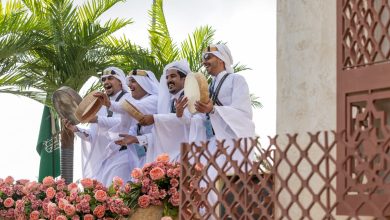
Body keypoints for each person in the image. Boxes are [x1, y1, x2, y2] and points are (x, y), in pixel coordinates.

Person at [63, 67, 132, 183]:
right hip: (105, 160)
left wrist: (97, 119)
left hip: (124, 155)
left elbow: (123, 123)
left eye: (110, 78)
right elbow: (93, 136)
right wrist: (75, 129)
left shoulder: (128, 98)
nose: (106, 82)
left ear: (120, 81)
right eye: (104, 80)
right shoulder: (100, 104)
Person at [116, 60, 193, 163]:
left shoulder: (191, 97)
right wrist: (137, 139)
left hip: (189, 154)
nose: (169, 80)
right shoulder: (169, 103)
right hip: (172, 158)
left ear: (184, 80)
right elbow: (160, 134)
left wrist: (155, 118)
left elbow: (192, 122)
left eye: (173, 76)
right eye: (167, 77)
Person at [97, 70, 159, 185]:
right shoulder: (140, 101)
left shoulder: (154, 99)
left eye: (133, 81)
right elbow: (132, 126)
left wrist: (110, 104)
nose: (129, 85)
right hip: (141, 156)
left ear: (144, 83)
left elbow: (132, 108)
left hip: (153, 156)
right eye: (129, 81)